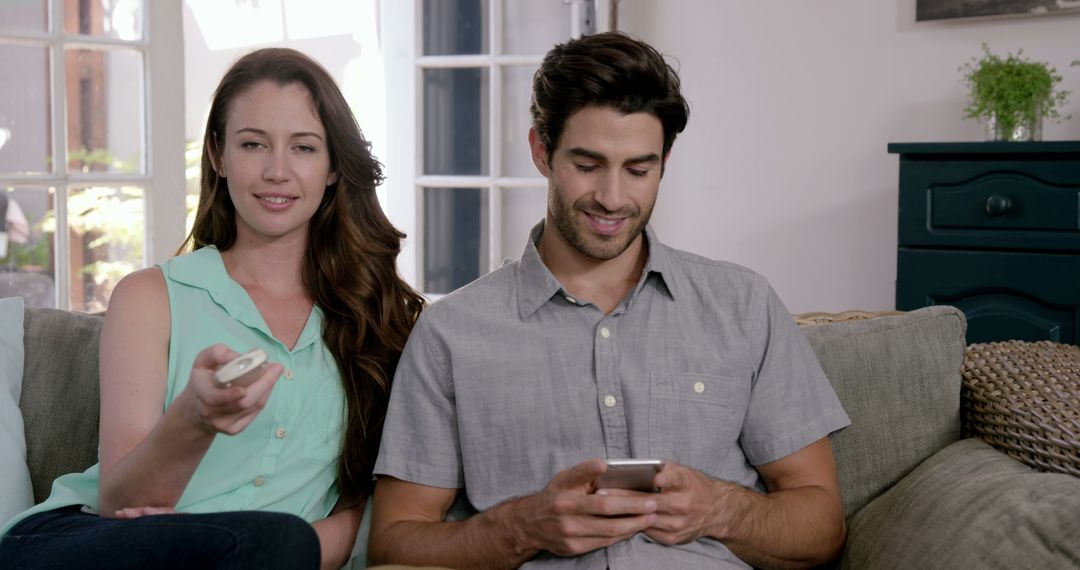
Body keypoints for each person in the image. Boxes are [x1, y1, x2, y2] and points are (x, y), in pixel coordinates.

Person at [368, 32, 851, 569]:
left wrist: (720, 510)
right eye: (588, 164)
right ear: (540, 151)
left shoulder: (744, 305)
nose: (613, 198)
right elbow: (393, 543)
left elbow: (822, 526)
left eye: (638, 170)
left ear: (665, 161)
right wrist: (523, 526)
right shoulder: (450, 333)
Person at [0, 48, 424, 570]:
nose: (276, 170)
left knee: (275, 543)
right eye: (252, 144)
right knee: (277, 544)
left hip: (254, 555)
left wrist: (320, 538)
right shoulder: (151, 296)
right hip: (86, 543)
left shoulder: (376, 318)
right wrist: (194, 420)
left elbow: (378, 504)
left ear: (335, 168)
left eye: (304, 148)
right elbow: (121, 503)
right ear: (220, 157)